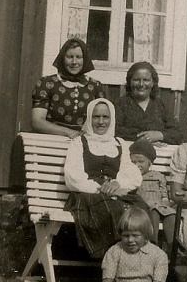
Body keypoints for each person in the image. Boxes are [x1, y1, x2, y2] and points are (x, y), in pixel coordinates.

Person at [64, 99, 150, 258]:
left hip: (116, 190)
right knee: (112, 208)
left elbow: (132, 172)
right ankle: (114, 259)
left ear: (112, 119)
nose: (101, 122)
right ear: (89, 118)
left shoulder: (120, 143)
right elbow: (73, 176)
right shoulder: (79, 143)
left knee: (140, 209)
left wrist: (118, 183)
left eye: (106, 117)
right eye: (96, 117)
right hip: (87, 193)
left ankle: (143, 261)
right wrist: (100, 188)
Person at [31, 38, 106, 137]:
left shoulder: (95, 86)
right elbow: (37, 121)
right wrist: (68, 132)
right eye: (70, 57)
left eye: (79, 57)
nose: (74, 62)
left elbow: (102, 121)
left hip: (84, 142)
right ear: (62, 58)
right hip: (52, 141)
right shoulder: (47, 83)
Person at [114, 62, 183, 145]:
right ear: (129, 82)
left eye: (146, 80)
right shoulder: (120, 104)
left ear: (153, 83)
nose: (141, 84)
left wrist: (159, 135)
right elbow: (115, 130)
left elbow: (178, 134)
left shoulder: (160, 105)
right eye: (136, 80)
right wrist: (143, 139)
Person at [129, 139, 175, 249]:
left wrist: (165, 200)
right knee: (153, 213)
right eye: (133, 162)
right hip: (144, 206)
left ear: (149, 162)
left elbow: (164, 191)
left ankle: (173, 246)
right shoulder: (131, 178)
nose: (137, 165)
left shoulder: (158, 176)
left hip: (159, 204)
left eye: (141, 162)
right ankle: (152, 244)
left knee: (171, 214)